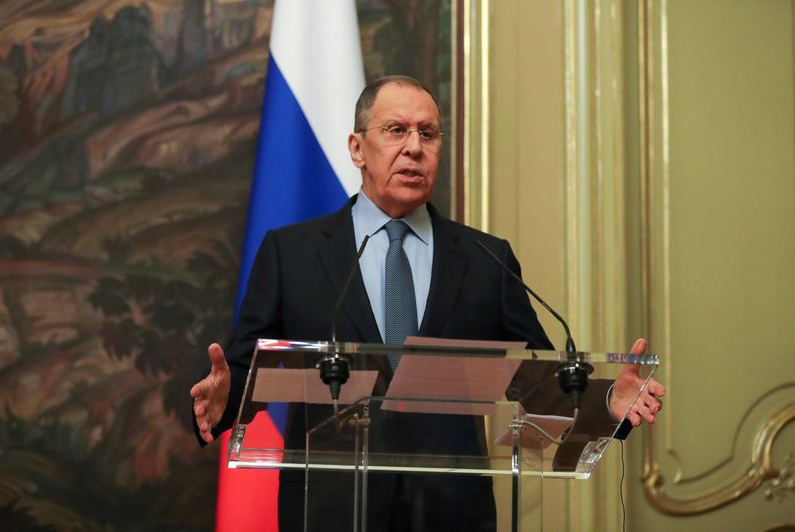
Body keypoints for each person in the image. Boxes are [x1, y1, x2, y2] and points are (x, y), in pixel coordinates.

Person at [191, 75, 665, 531]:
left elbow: (535, 377)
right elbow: (246, 368)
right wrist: (222, 401)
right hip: (330, 509)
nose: (414, 146)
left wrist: (607, 399)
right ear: (357, 148)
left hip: (452, 511)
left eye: (428, 133)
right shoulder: (291, 253)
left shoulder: (485, 258)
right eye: (396, 130)